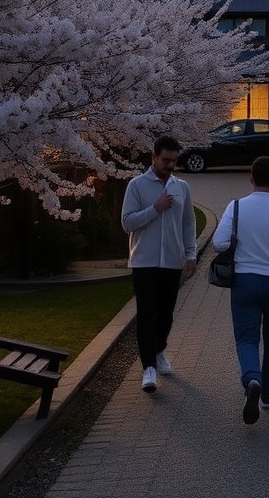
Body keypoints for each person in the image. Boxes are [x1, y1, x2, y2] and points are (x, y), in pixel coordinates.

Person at [211, 155, 269, 425]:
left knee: (246, 338)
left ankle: (252, 378)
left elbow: (218, 243)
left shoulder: (236, 207)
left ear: (250, 179)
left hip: (245, 281)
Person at [120, 134, 196, 393]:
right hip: (145, 260)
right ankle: (148, 367)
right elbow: (127, 222)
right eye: (165, 160)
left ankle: (159, 350)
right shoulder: (137, 186)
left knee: (165, 313)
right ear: (153, 157)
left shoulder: (181, 187)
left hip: (172, 261)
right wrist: (156, 207)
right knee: (146, 313)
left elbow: (188, 223)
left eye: (174, 161)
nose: (170, 165)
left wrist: (191, 254)